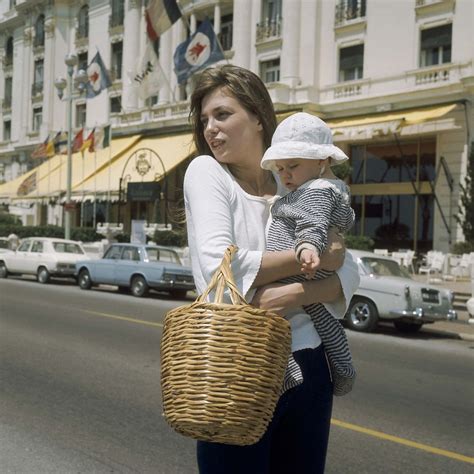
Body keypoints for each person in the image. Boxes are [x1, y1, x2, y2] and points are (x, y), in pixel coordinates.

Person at [184, 64, 360, 474]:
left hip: (310, 363)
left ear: (259, 117)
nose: (210, 128)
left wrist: (293, 292)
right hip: (237, 368)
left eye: (223, 114)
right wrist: (320, 259)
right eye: (205, 119)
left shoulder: (296, 179)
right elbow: (219, 267)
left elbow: (350, 269)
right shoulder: (207, 172)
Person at [261, 112, 356, 397]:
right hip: (307, 265)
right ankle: (343, 367)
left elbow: (312, 223)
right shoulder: (316, 186)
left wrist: (307, 247)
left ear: (322, 161)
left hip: (301, 262)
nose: (285, 174)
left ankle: (287, 369)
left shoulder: (316, 190)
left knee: (265, 311)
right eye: (279, 168)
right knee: (322, 318)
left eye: (292, 166)